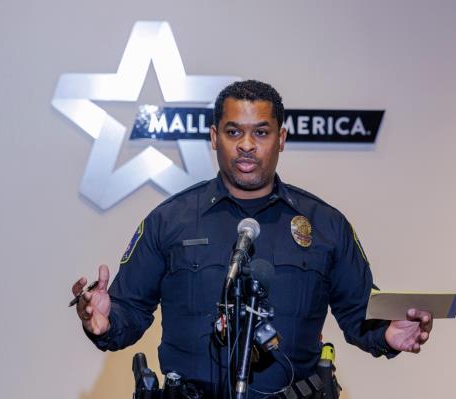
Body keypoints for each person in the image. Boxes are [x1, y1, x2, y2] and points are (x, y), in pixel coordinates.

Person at [71, 80, 433, 398]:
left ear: (282, 139)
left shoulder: (325, 224)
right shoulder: (170, 221)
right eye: (233, 132)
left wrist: (388, 332)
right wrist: (105, 321)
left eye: (261, 132)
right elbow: (129, 310)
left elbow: (358, 313)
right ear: (214, 137)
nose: (246, 144)